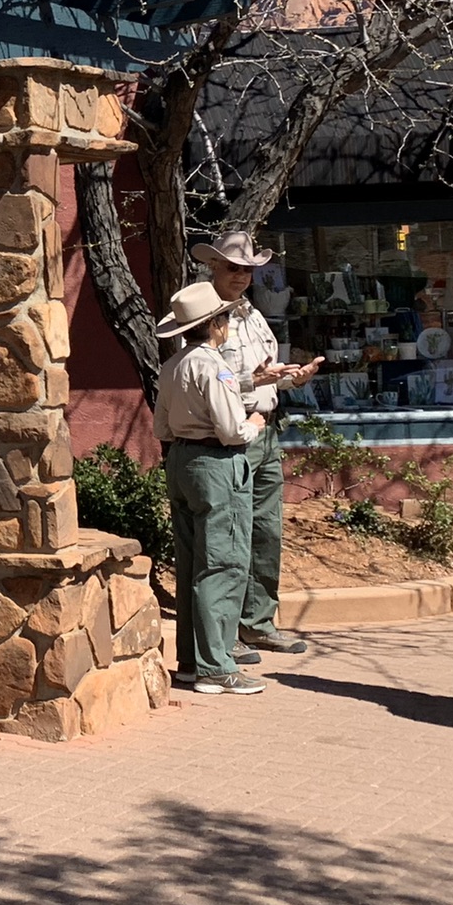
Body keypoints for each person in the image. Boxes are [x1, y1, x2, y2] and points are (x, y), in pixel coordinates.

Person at [195, 230, 320, 660]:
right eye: (234, 267)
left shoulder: (251, 314)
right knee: (230, 538)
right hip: (229, 437)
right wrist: (258, 382)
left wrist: (291, 378)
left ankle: (258, 624)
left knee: (266, 532)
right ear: (214, 266)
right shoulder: (201, 314)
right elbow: (208, 379)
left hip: (265, 431)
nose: (242, 276)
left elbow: (267, 373)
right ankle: (224, 637)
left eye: (248, 269)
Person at [153, 281, 268, 697]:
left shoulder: (173, 366)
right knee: (222, 562)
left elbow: (160, 426)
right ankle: (217, 666)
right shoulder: (213, 366)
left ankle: (191, 658)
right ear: (215, 325)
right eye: (226, 319)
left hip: (181, 461)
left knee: (190, 562)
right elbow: (231, 429)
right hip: (217, 465)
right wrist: (253, 426)